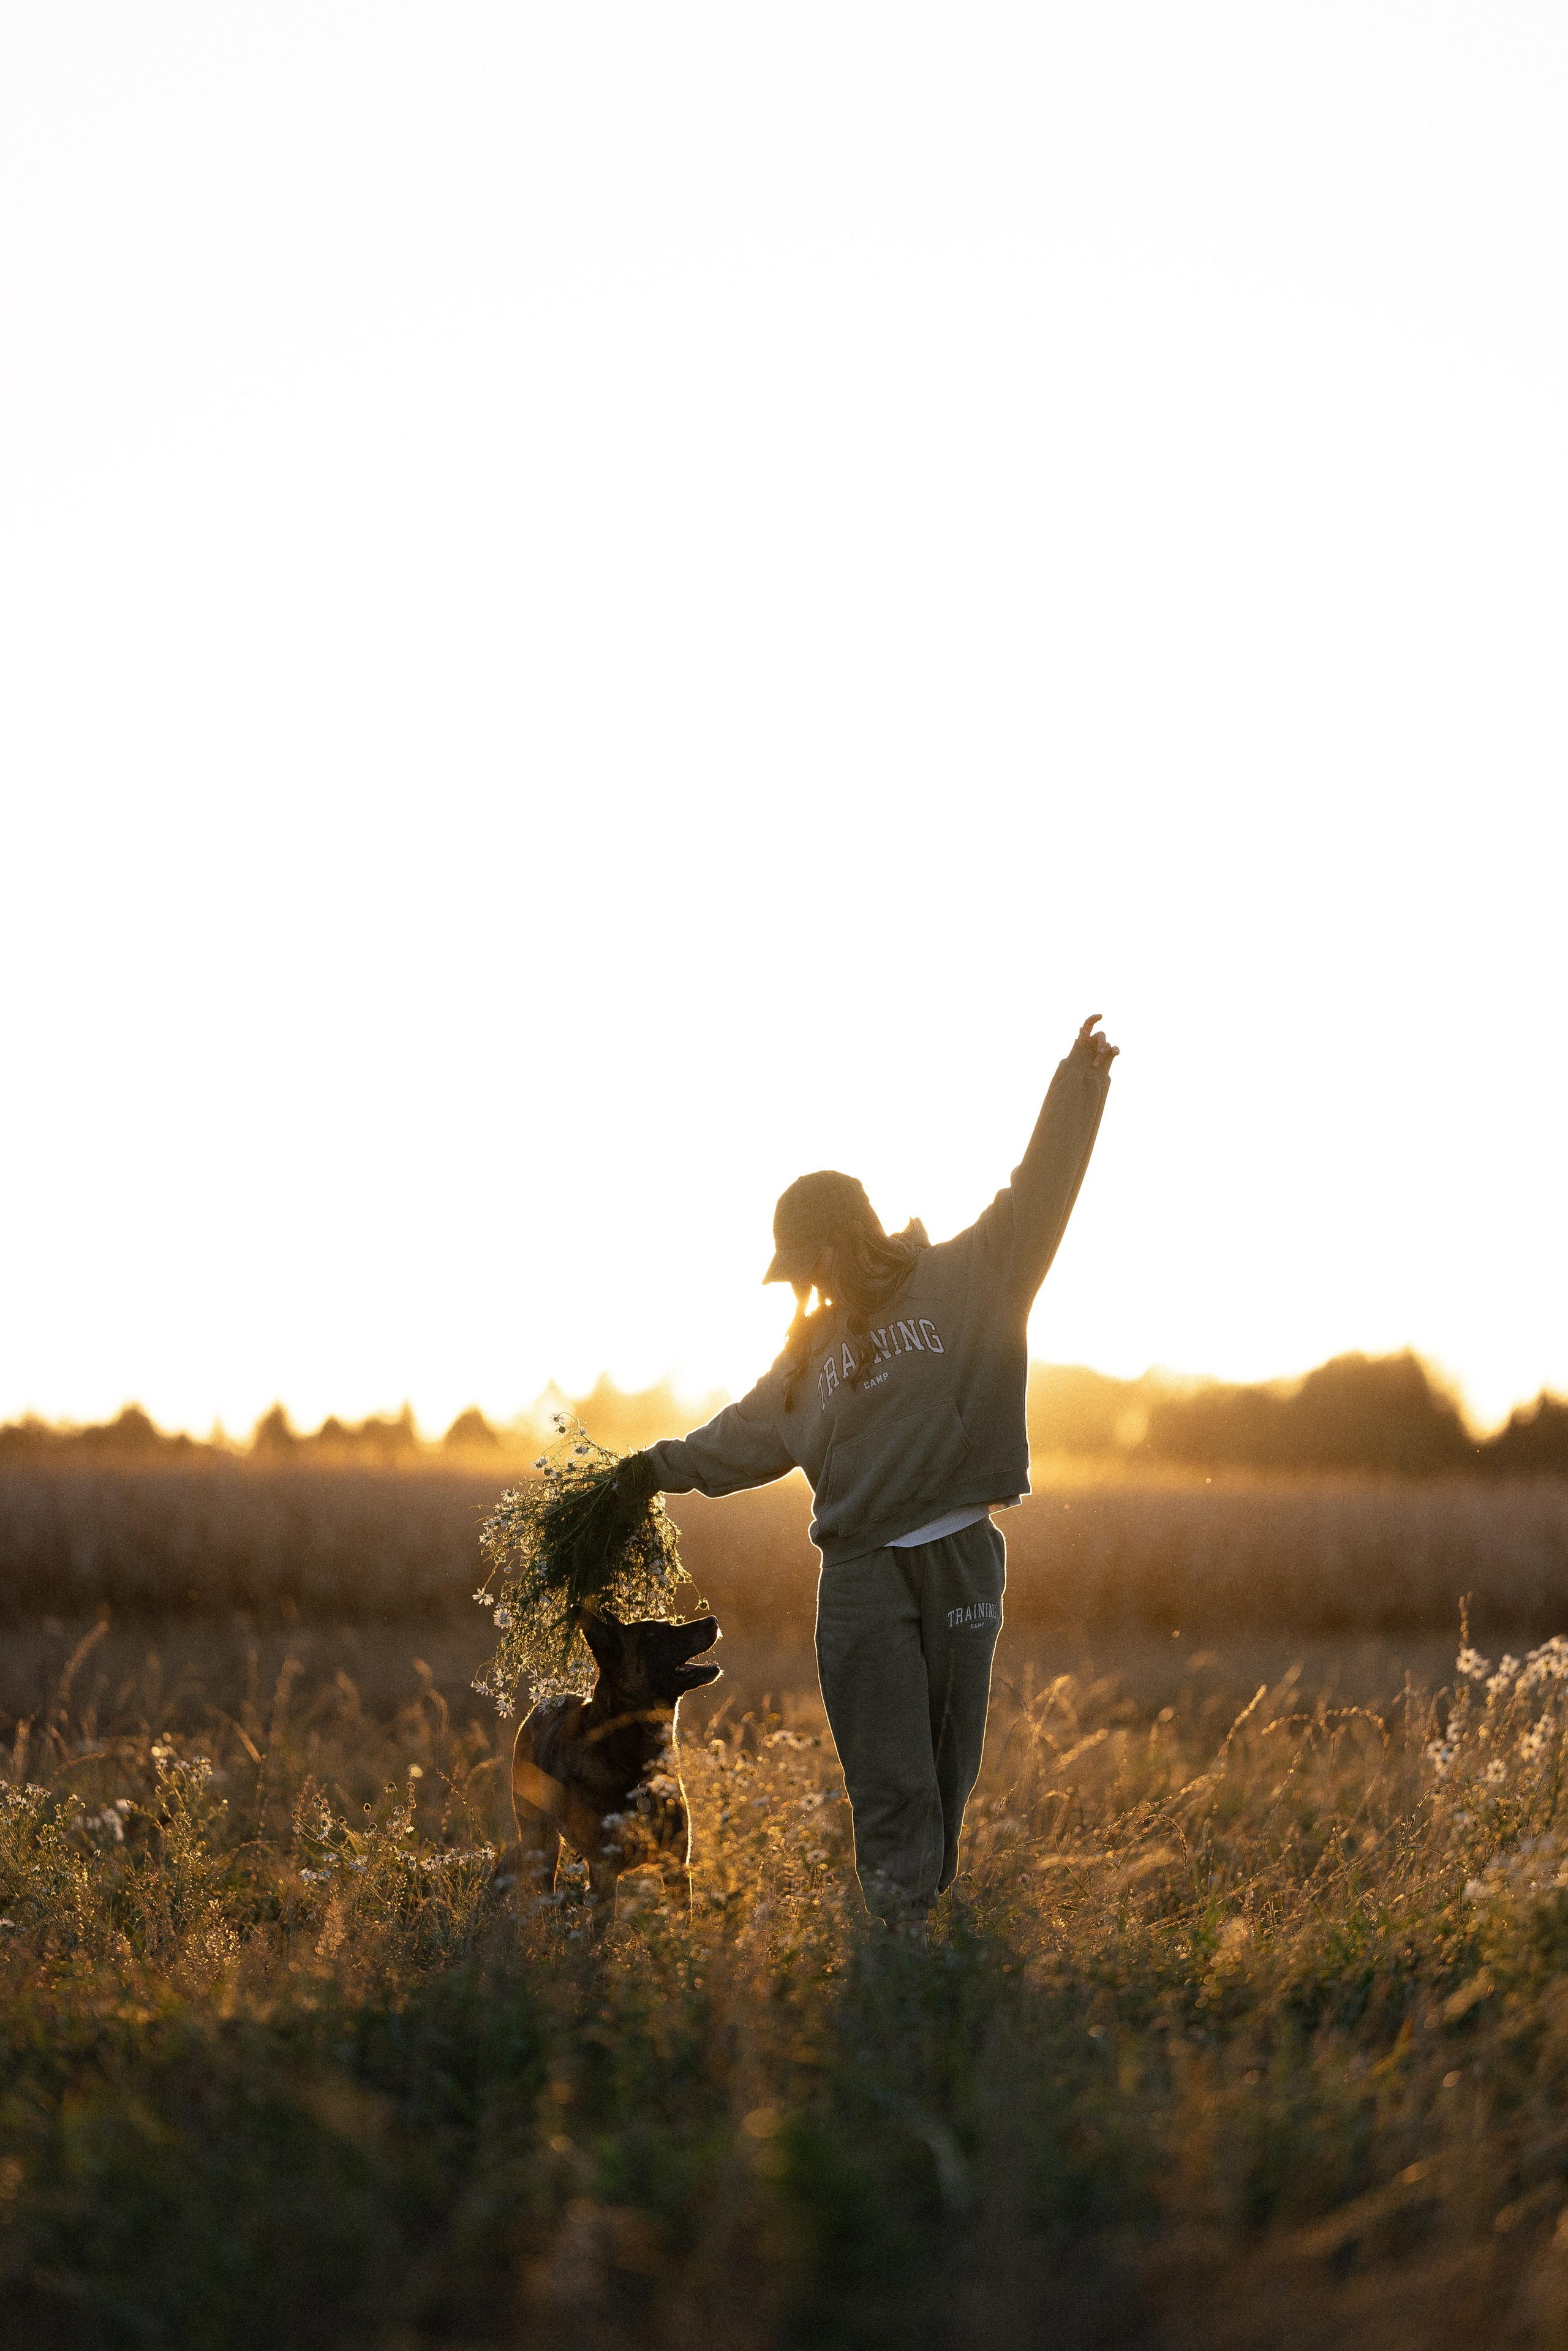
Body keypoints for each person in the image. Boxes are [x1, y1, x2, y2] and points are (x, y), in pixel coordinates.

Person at [617, 1013, 1118, 1935]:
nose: (808, 1288)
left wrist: (1079, 1082)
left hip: (962, 1562)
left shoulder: (970, 1277)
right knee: (892, 1785)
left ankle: (917, 1948)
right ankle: (898, 1951)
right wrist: (648, 1468)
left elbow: (1038, 1189)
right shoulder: (807, 1356)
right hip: (861, 1582)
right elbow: (742, 1436)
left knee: (945, 1775)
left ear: (846, 1238)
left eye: (810, 1265)